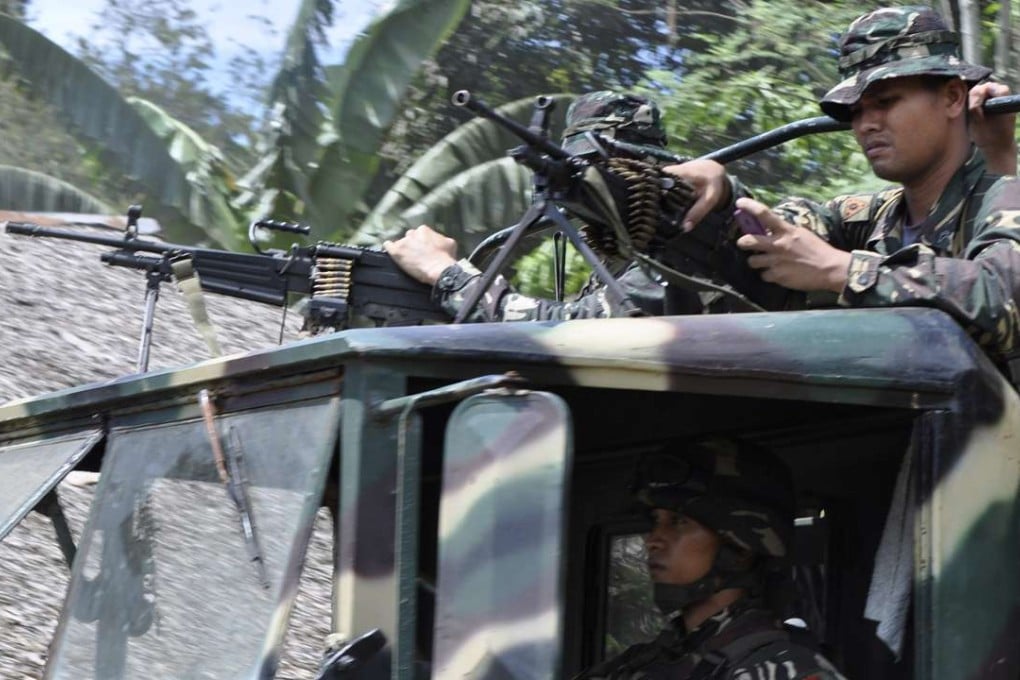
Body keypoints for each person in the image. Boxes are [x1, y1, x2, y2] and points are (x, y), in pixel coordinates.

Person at [666, 5, 1020, 365]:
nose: (866, 124)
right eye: (856, 112)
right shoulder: (869, 218)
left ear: (952, 97)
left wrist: (841, 271)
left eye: (885, 102)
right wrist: (721, 198)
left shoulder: (1004, 198)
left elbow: (1001, 298)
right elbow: (780, 233)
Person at [384, 91, 714, 322]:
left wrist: (448, 275)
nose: (584, 184)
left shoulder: (687, 229)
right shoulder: (620, 252)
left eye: (598, 169)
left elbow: (579, 330)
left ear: (645, 166)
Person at [576, 438, 845, 680]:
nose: (653, 540)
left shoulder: (784, 669)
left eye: (678, 521)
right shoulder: (650, 659)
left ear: (740, 546)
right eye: (656, 521)